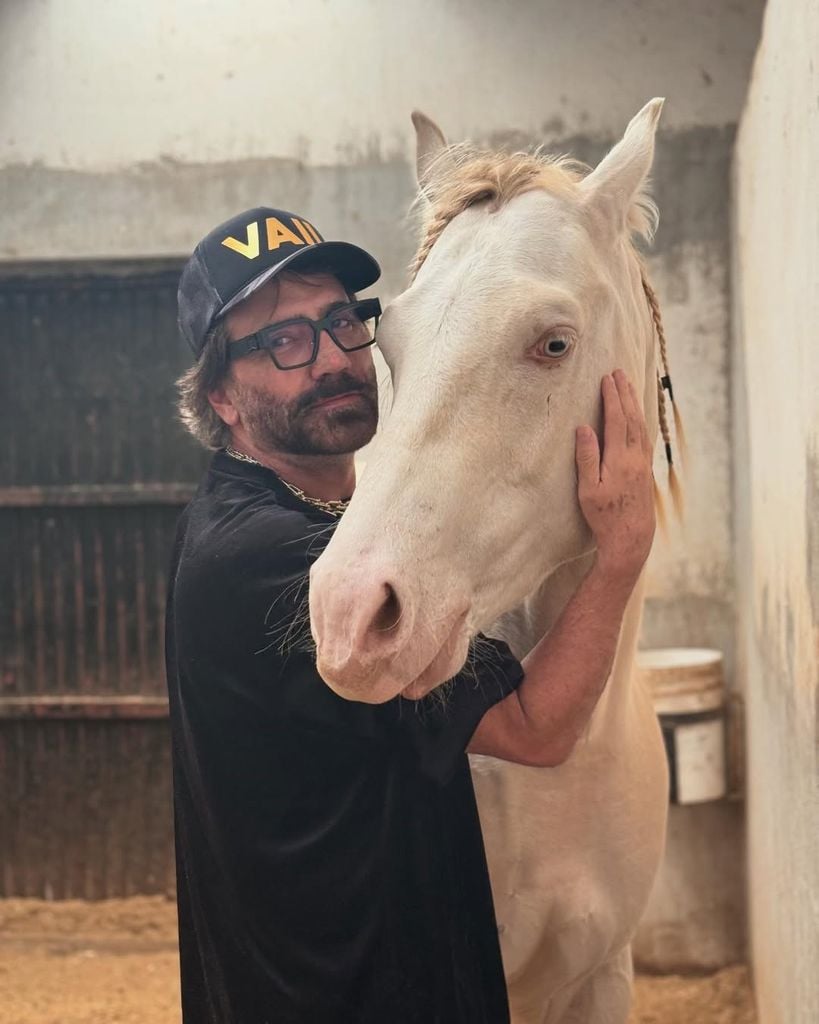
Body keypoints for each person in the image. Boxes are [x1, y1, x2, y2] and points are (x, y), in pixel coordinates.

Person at [166, 207, 656, 1024]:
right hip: (334, 993)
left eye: (339, 323)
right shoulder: (261, 557)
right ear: (221, 395)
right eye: (282, 342)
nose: (329, 360)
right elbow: (536, 728)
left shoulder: (299, 517)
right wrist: (621, 552)